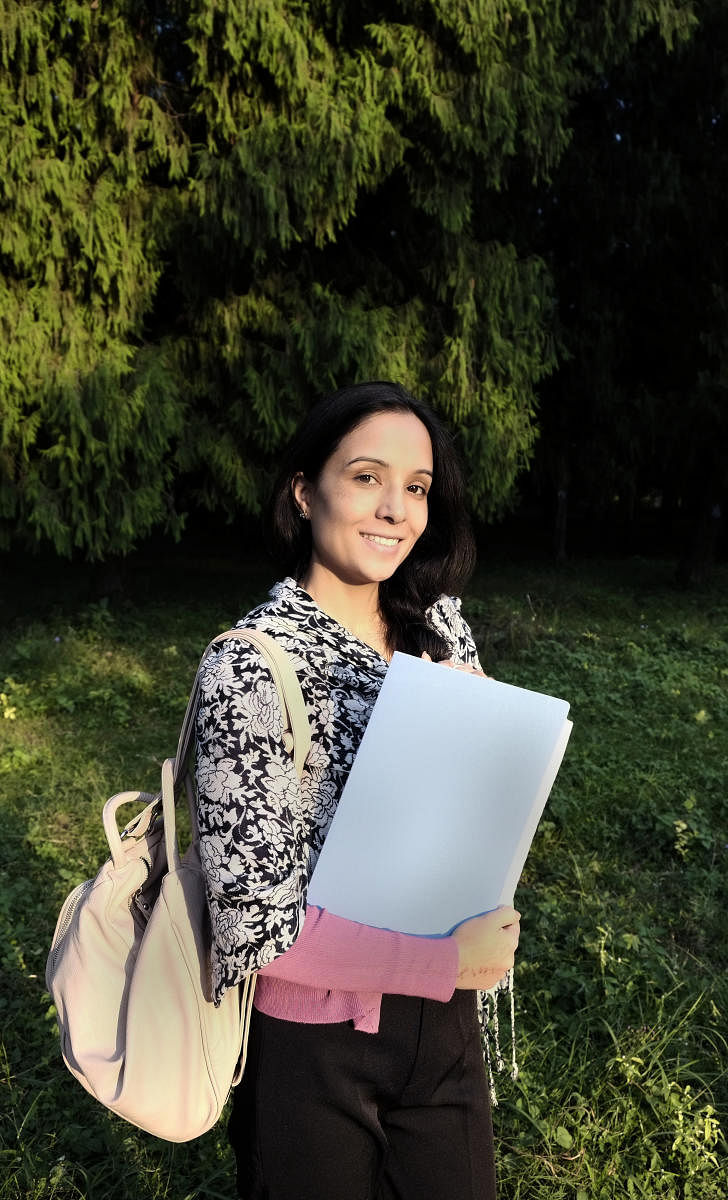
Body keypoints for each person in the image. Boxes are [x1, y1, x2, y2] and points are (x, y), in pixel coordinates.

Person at [195, 381, 521, 1200]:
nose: (395, 510)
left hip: (443, 1030)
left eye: (415, 488)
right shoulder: (248, 664)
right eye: (368, 477)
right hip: (314, 1048)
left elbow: (475, 816)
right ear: (305, 492)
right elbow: (256, 932)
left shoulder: (437, 625)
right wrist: (446, 961)